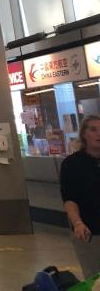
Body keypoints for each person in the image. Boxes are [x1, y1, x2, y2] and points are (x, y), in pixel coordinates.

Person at [61, 115, 100, 277]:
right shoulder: (72, 164)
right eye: (93, 130)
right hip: (90, 230)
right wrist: (77, 223)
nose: (99, 134)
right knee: (94, 278)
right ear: (84, 134)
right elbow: (70, 198)